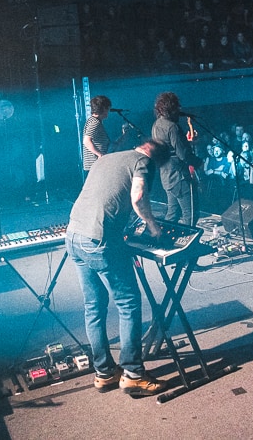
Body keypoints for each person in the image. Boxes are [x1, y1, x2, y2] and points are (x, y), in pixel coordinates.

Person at [65, 140, 171, 398]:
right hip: (99, 241)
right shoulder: (143, 162)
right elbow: (138, 197)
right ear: (156, 159)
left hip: (74, 236)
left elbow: (103, 196)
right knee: (128, 304)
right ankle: (133, 375)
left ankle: (104, 374)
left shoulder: (107, 158)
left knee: (94, 306)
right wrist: (154, 229)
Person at [151, 92, 200, 226]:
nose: (179, 110)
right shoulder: (172, 127)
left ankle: (165, 241)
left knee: (173, 213)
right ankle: (189, 244)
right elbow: (183, 154)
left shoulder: (156, 124)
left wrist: (188, 142)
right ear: (171, 109)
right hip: (179, 177)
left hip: (167, 175)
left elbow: (169, 149)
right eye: (177, 108)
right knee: (190, 214)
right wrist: (198, 162)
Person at [82, 95, 112, 174]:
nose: (108, 111)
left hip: (95, 164)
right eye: (108, 109)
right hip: (95, 163)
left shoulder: (93, 120)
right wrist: (100, 154)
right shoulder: (95, 122)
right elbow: (86, 141)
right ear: (104, 108)